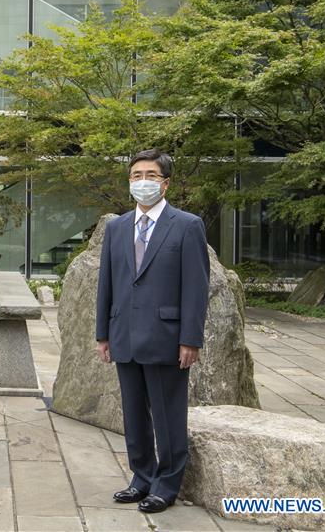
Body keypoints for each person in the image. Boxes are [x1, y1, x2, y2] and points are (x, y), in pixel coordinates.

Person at [95, 149, 209, 514]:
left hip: (166, 338)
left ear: (165, 182)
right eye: (136, 175)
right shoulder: (116, 227)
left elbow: (196, 287)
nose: (142, 181)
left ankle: (167, 484)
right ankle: (141, 478)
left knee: (167, 415)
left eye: (150, 174)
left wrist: (190, 339)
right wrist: (103, 333)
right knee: (133, 414)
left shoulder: (187, 225)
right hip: (124, 335)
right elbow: (106, 285)